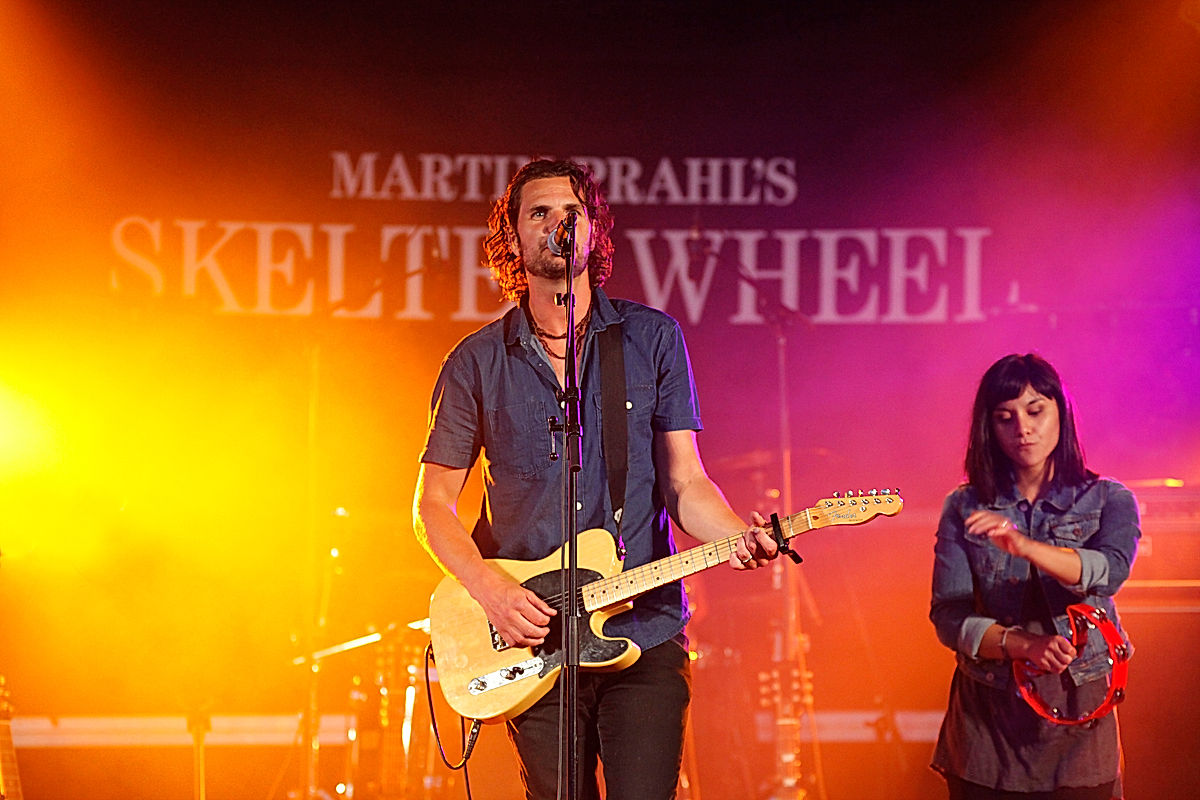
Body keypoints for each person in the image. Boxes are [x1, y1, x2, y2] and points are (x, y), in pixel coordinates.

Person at [412, 158, 778, 800]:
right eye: (540, 212)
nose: (559, 224)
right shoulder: (474, 362)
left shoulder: (651, 338)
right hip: (533, 639)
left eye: (572, 212)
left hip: (644, 625)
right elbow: (433, 504)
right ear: (512, 237)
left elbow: (686, 484)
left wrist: (735, 536)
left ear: (595, 232)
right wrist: (492, 591)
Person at [929, 353, 1140, 800]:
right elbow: (949, 617)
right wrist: (1022, 645)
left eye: (1035, 410)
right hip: (988, 730)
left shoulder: (1108, 499)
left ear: (1060, 411)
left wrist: (1025, 547)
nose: (1022, 428)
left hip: (1081, 726)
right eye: (1004, 417)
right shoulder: (964, 506)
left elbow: (1109, 571)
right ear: (989, 427)